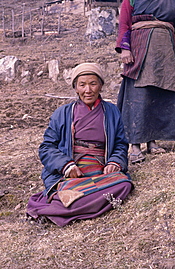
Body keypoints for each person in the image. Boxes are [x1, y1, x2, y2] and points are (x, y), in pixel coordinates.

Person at [27, 62, 133, 227]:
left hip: (100, 169)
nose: (88, 90)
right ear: (75, 88)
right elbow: (46, 148)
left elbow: (120, 144)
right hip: (72, 171)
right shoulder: (62, 114)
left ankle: (66, 205)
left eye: (93, 84)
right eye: (82, 85)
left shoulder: (112, 111)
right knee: (71, 190)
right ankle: (72, 201)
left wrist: (114, 162)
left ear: (101, 86)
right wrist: (66, 165)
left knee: (124, 185)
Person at [116, 0, 175, 164]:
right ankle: (135, 145)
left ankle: (153, 141)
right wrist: (125, 48)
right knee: (140, 94)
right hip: (139, 48)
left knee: (160, 92)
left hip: (164, 51)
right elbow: (124, 23)